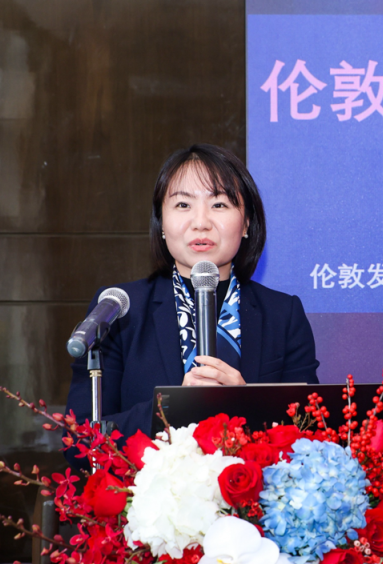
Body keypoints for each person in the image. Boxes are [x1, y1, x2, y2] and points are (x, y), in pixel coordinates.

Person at [65, 144, 320, 440]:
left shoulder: (282, 314)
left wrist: (247, 403)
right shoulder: (119, 310)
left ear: (246, 223)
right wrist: (173, 409)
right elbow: (80, 439)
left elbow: (312, 434)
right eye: (183, 205)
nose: (201, 223)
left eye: (219, 205)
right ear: (161, 222)